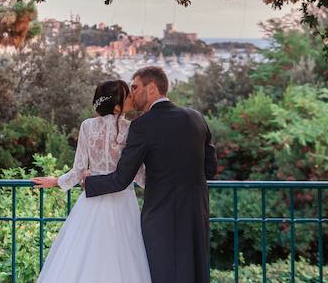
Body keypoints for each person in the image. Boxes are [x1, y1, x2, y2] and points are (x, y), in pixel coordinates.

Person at [84, 66, 217, 283]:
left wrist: (89, 183)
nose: (131, 93)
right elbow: (210, 169)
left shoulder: (141, 126)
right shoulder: (196, 118)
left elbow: (121, 179)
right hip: (196, 215)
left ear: (152, 88)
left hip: (160, 219)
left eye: (135, 87)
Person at [31, 80, 150, 283]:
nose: (131, 96)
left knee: (84, 254)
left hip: (92, 201)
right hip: (123, 201)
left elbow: (78, 170)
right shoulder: (131, 129)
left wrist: (57, 181)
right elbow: (138, 175)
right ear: (117, 106)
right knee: (123, 256)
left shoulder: (87, 126)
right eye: (127, 95)